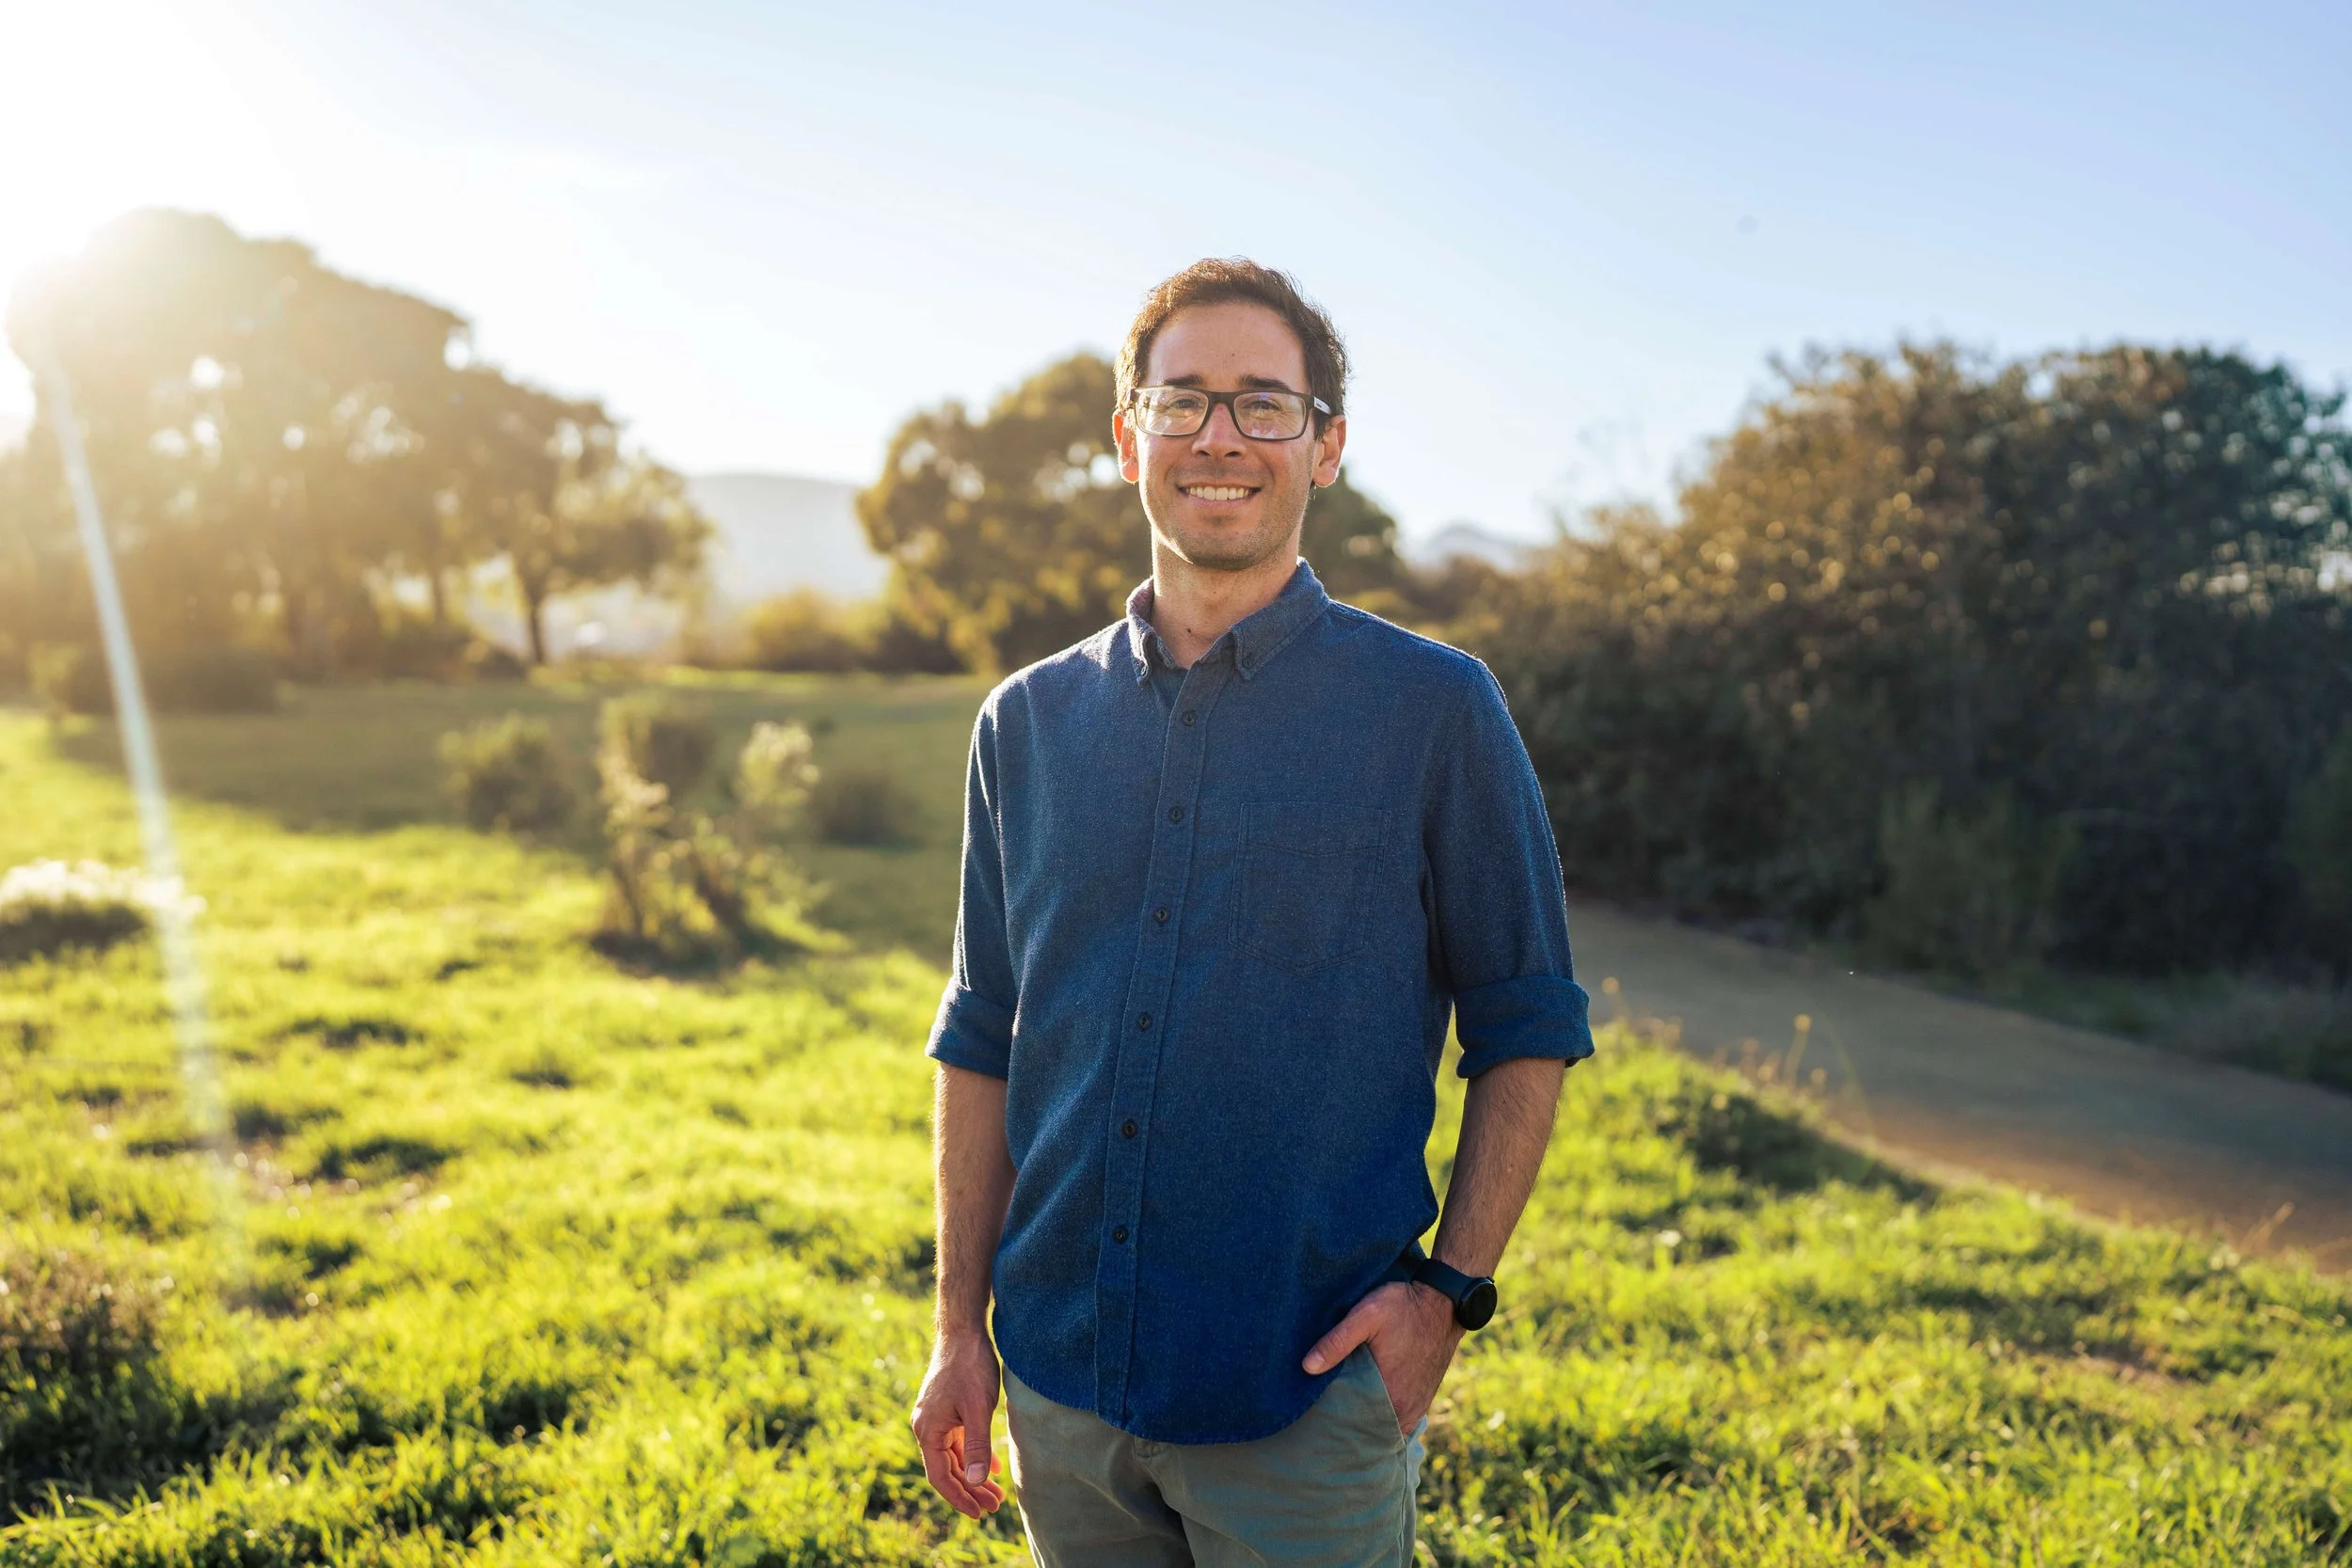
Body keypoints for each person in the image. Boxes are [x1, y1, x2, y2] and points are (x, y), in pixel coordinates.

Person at [910, 258, 1596, 1566]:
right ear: (1128, 439)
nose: (1219, 438)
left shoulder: (1437, 712)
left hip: (1305, 1395)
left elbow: (1530, 1023)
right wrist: (959, 1326)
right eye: (1182, 402)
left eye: (1264, 404)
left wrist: (1447, 1296)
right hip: (1061, 1386)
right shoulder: (1026, 723)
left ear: (1324, 447)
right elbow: (983, 1035)